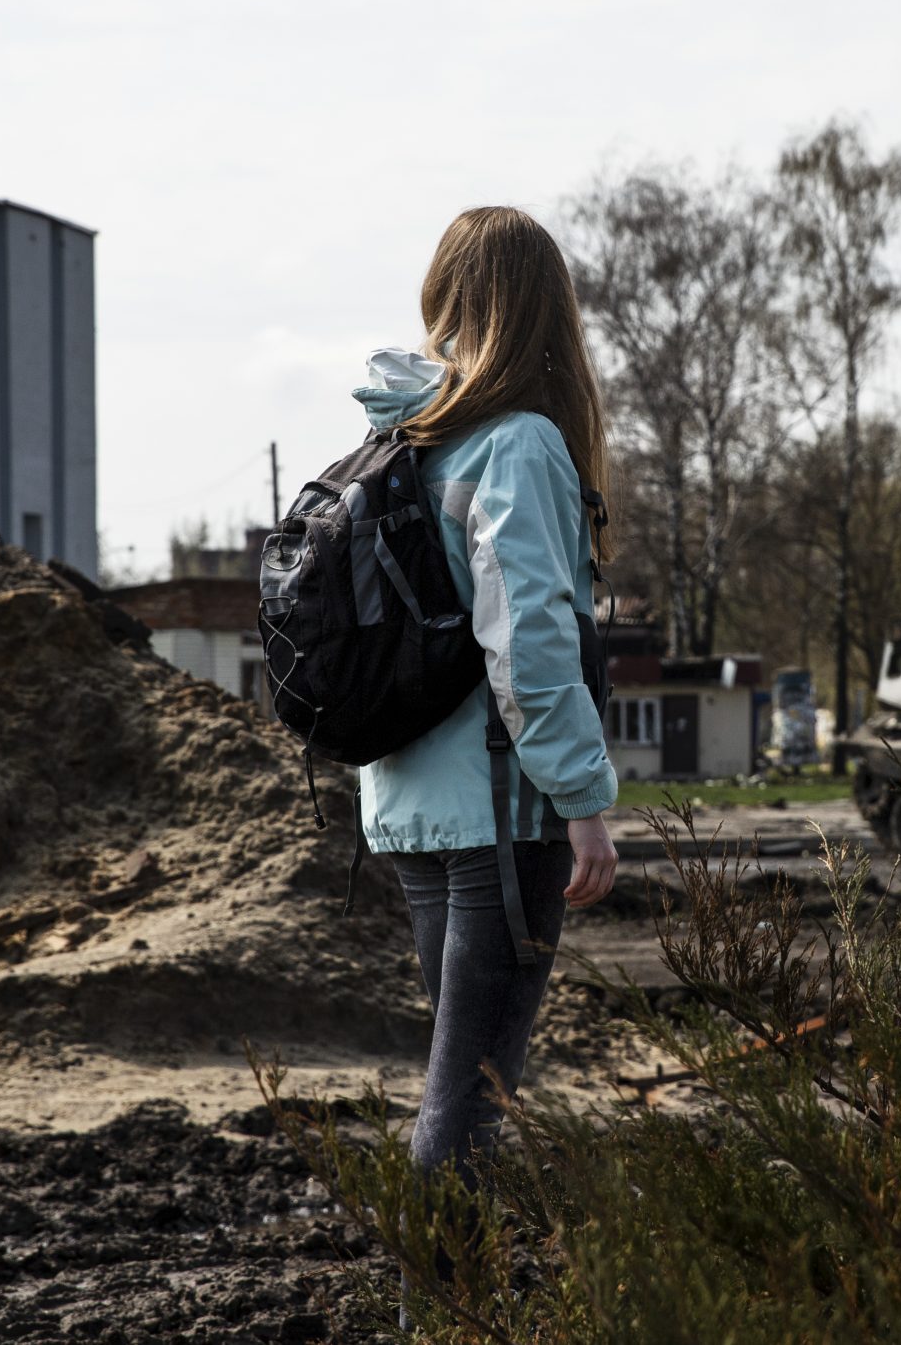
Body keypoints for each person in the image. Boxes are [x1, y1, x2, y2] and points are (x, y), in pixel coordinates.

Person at [353, 206, 621, 1188]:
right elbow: (531, 643)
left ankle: (443, 1308)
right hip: (504, 809)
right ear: (546, 310)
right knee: (468, 1102)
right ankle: (442, 1318)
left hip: (411, 805)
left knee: (454, 1085)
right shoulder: (514, 445)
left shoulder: (399, 442)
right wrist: (583, 802)